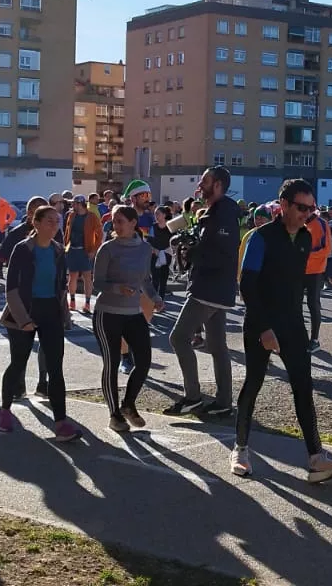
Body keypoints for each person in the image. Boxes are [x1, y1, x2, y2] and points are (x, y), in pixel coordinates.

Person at [230, 179, 332, 483]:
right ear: (283, 205)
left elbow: (298, 285)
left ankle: (315, 459)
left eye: (312, 209)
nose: (307, 214)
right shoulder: (260, 238)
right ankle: (240, 448)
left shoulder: (306, 237)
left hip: (293, 323)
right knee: (254, 383)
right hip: (262, 323)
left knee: (303, 386)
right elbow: (247, 286)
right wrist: (264, 328)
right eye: (302, 208)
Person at [0, 205, 80, 441]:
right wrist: (23, 319)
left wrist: (65, 315)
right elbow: (11, 287)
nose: (54, 226)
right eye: (49, 222)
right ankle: (4, 410)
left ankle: (61, 422)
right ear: (36, 223)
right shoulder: (22, 249)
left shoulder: (57, 251)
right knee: (18, 363)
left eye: (57, 221)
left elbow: (60, 286)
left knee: (55, 367)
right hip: (24, 310)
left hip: (50, 311)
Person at [165, 166, 240, 417]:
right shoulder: (216, 212)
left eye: (205, 180)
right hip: (216, 288)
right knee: (218, 347)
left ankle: (193, 397)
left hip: (209, 289)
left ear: (217, 184)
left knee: (178, 338)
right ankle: (223, 402)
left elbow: (222, 253)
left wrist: (194, 251)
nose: (200, 184)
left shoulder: (224, 213)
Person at [92, 205, 165, 432]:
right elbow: (97, 284)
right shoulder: (108, 249)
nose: (116, 225)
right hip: (107, 313)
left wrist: (155, 297)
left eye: (121, 221)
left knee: (144, 361)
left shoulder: (144, 249)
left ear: (134, 223)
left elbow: (145, 279)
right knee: (112, 363)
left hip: (133, 313)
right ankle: (114, 414)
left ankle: (128, 404)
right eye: (114, 221)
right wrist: (117, 288)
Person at [0, 196, 51, 397]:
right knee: (20, 349)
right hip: (21, 300)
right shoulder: (17, 235)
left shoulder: (55, 235)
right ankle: (18, 385)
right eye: (34, 210)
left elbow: (60, 267)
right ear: (29, 215)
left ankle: (43, 383)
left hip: (46, 300)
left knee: (46, 346)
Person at [64, 193, 103, 314]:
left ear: (80, 204)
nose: (72, 205)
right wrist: (65, 246)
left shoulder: (91, 217)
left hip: (86, 250)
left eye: (74, 203)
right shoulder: (71, 215)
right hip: (72, 249)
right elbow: (67, 231)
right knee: (72, 276)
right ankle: (72, 301)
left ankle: (87, 303)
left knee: (87, 277)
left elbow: (99, 234)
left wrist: (94, 250)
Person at [302, 209, 332, 352]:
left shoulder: (321, 223)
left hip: (315, 271)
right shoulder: (297, 221)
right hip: (298, 270)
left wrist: (307, 255)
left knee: (313, 304)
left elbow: (327, 250)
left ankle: (314, 339)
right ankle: (298, 336)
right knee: (293, 304)